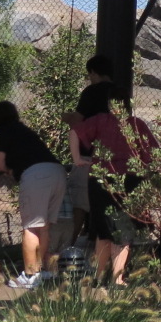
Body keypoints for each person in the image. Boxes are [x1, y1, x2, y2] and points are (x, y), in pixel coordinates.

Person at [71, 84, 155, 287]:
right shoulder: (137, 124)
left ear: (110, 104)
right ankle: (117, 278)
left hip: (100, 180)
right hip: (129, 181)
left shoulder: (100, 121)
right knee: (122, 231)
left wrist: (77, 159)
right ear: (128, 104)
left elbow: (74, 132)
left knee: (102, 231)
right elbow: (151, 154)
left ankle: (100, 277)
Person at [0, 101, 67, 290]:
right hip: (58, 172)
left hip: (36, 175)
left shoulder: (2, 131)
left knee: (31, 227)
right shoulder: (24, 130)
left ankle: (30, 275)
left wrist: (6, 171)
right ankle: (45, 271)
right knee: (45, 226)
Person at [65, 55, 119, 245]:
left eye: (90, 74)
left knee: (81, 201)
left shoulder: (92, 91)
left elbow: (78, 120)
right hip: (115, 156)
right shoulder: (121, 92)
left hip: (89, 154)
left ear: (94, 73)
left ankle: (71, 243)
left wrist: (67, 117)